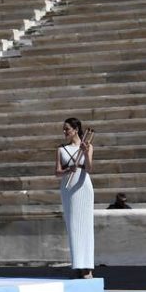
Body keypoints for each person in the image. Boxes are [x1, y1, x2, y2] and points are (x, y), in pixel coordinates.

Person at [55, 117, 94, 279]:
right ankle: (78, 265)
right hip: (68, 188)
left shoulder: (88, 145)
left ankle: (88, 267)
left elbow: (90, 168)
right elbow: (57, 172)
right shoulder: (61, 149)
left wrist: (85, 152)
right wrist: (67, 170)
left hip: (84, 186)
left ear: (76, 129)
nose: (65, 132)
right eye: (64, 129)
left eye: (67, 129)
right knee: (73, 227)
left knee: (86, 227)